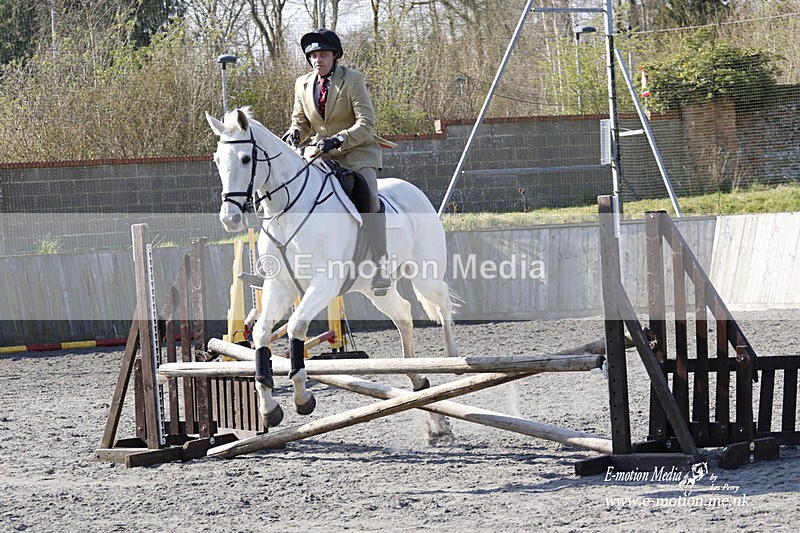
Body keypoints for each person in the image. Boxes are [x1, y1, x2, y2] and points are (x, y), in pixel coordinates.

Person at [282, 28, 392, 296]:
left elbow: (366, 123)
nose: (317, 60)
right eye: (313, 56)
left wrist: (340, 139)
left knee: (369, 197)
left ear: (334, 56)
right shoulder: (302, 83)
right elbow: (301, 121)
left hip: (357, 152)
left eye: (323, 55)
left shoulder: (352, 79)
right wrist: (295, 132)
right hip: (321, 152)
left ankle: (381, 265)